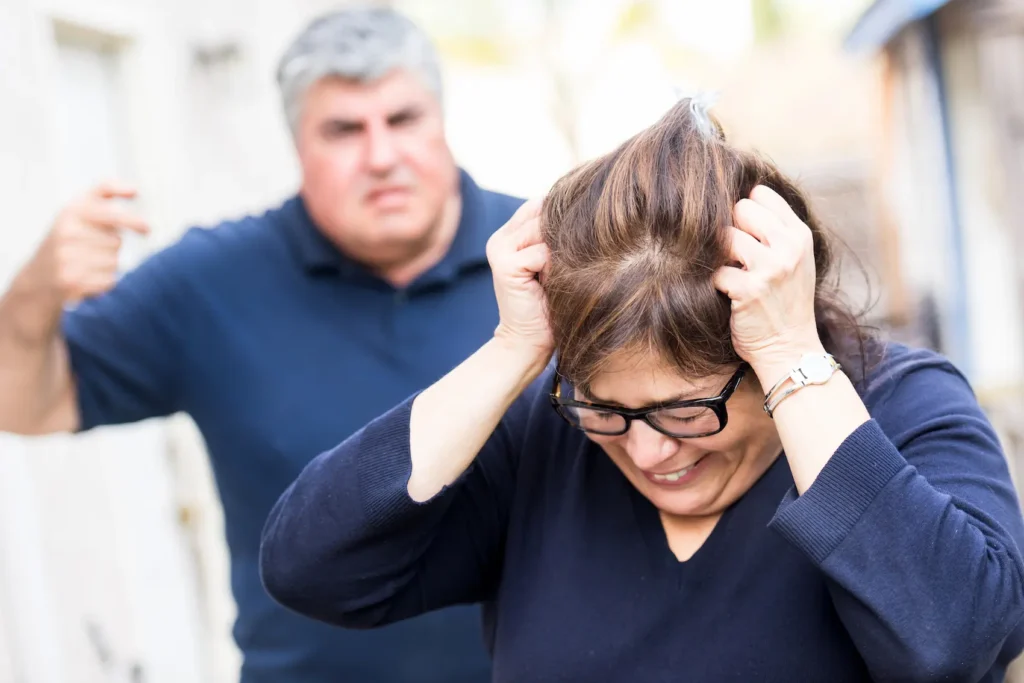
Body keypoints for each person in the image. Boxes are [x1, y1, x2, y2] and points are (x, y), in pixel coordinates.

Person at [259, 98, 1024, 682]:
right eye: (607, 408)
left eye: (687, 408)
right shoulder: (548, 437)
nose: (650, 447)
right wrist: (513, 349)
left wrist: (793, 353)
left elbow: (957, 640)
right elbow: (314, 567)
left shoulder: (901, 408)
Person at [0, 7, 517, 683]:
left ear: (441, 121)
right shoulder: (209, 282)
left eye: (403, 119)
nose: (382, 155)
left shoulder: (546, 261)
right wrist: (35, 291)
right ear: (297, 145)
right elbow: (23, 405)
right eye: (343, 129)